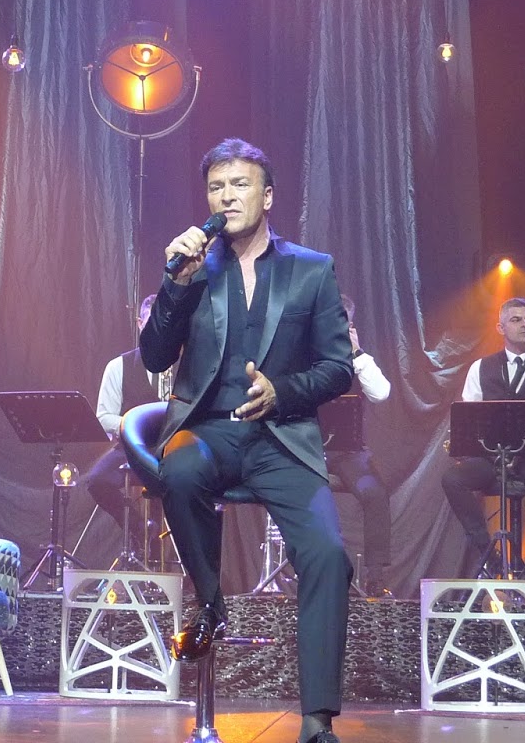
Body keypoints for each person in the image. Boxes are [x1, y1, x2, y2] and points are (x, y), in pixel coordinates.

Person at [142, 138, 353, 743]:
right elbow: (153, 355)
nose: (227, 197)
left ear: (268, 196)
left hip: (280, 438)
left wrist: (282, 391)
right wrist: (176, 285)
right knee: (179, 470)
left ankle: (316, 720)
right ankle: (210, 603)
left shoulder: (311, 269)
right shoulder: (194, 268)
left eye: (240, 185)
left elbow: (339, 368)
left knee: (328, 555)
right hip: (208, 431)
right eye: (216, 187)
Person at [439, 297, 525, 595]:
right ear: (500, 327)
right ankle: (489, 556)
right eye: (516, 320)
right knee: (453, 478)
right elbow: (470, 414)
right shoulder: (480, 368)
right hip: (492, 457)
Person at [320, 295, 393, 597]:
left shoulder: (358, 359)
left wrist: (357, 353)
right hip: (306, 449)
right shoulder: (301, 352)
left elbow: (381, 393)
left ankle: (375, 576)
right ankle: (313, 571)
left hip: (347, 453)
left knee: (374, 493)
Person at [85, 294, 168, 559]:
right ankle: (138, 529)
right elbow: (103, 417)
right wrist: (136, 425)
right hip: (132, 448)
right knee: (97, 480)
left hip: (172, 448)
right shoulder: (118, 366)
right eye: (151, 323)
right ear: (139, 324)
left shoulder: (186, 366)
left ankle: (181, 556)